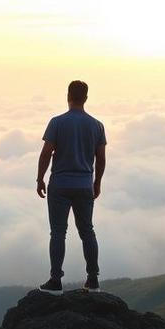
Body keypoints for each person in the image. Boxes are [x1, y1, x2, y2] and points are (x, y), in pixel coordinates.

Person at [35, 80, 106, 295]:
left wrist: (40, 178)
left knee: (58, 233)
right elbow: (101, 158)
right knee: (87, 231)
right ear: (86, 97)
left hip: (60, 185)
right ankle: (93, 280)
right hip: (84, 185)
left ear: (68, 96)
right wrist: (96, 182)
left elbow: (46, 152)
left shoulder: (57, 123)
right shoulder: (96, 125)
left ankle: (55, 281)